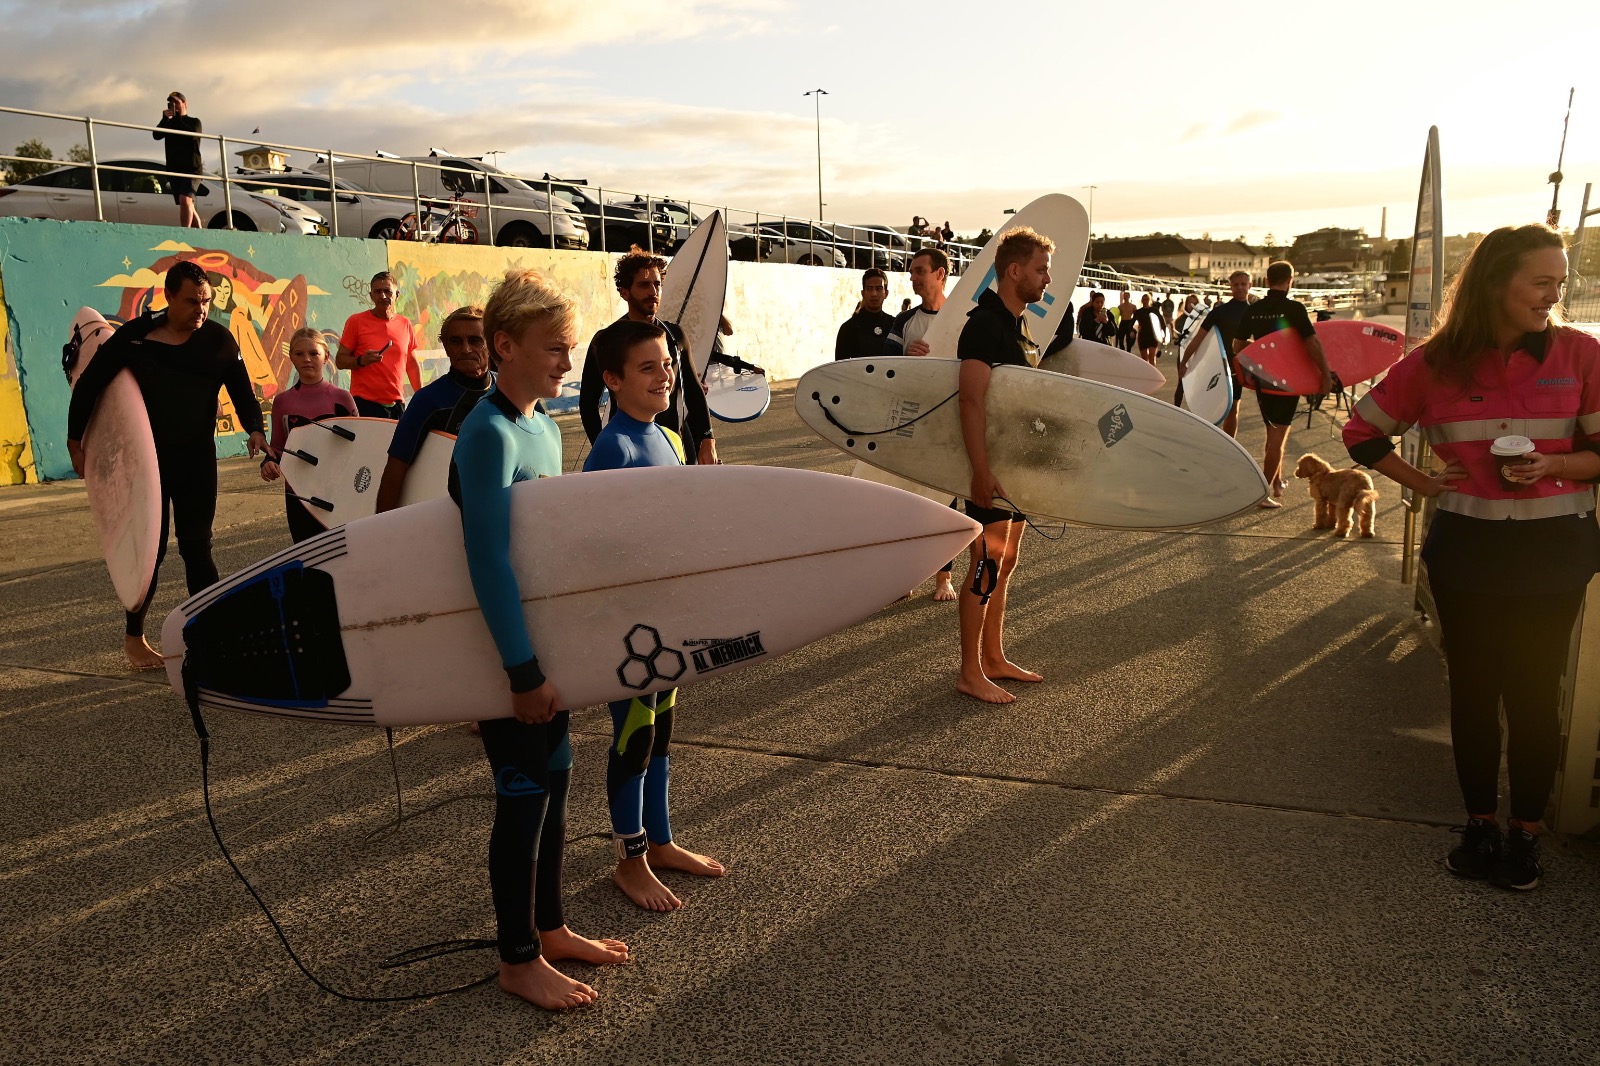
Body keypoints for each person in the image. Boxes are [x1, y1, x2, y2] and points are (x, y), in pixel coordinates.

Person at [1343, 223, 1600, 892]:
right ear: (1494, 285)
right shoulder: (1432, 364)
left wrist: (1557, 463)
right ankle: (1480, 822)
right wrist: (1424, 483)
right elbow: (1361, 432)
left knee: (1537, 695)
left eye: (1559, 283)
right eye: (1540, 282)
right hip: (1469, 551)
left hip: (1554, 551)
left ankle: (1526, 836)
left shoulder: (1581, 354)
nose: (1554, 294)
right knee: (1476, 693)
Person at [451, 267, 630, 1009]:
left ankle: (549, 927)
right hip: (508, 654)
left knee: (556, 786)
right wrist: (521, 672)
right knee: (521, 801)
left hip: (548, 646)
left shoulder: (541, 428)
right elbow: (487, 561)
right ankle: (516, 957)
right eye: (554, 349)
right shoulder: (488, 432)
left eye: (569, 348)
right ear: (504, 345)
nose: (566, 362)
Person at [582, 319, 729, 911]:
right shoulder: (611, 449)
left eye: (666, 364)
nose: (663, 375)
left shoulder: (667, 438)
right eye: (647, 368)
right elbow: (591, 548)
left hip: (666, 620)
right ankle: (630, 858)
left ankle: (662, 841)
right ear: (612, 381)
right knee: (634, 737)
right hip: (629, 627)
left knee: (662, 731)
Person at [66, 260, 266, 669]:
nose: (201, 310)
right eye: (192, 301)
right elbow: (91, 383)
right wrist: (76, 440)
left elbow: (243, 392)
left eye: (206, 301)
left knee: (197, 547)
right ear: (169, 297)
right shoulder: (136, 338)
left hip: (195, 459)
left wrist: (255, 430)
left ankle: (211, 638)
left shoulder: (218, 341)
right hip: (145, 463)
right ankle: (135, 639)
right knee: (147, 552)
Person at [955, 227, 1053, 704]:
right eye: (1040, 269)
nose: (1047, 279)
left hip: (1013, 469)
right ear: (1014, 271)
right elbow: (970, 401)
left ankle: (993, 657)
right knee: (986, 562)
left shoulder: (1017, 325)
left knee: (1006, 559)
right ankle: (969, 671)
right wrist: (979, 469)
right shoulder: (984, 325)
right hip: (989, 468)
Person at [579, 249, 717, 465]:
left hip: (675, 438)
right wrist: (602, 445)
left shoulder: (675, 336)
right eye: (644, 285)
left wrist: (707, 438)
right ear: (624, 292)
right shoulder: (608, 341)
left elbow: (693, 390)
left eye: (657, 284)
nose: (653, 291)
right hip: (631, 438)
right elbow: (588, 402)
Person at [887, 247, 959, 601]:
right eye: (912, 271)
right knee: (909, 497)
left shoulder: (964, 318)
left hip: (949, 424)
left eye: (919, 271)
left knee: (944, 500)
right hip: (911, 421)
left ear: (939, 274)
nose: (912, 277)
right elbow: (882, 368)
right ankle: (907, 572)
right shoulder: (904, 322)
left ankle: (943, 576)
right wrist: (904, 357)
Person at [375, 305, 493, 515]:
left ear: (491, 344)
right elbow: (395, 470)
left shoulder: (512, 392)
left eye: (475, 340)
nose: (466, 349)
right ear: (446, 347)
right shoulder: (428, 400)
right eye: (456, 341)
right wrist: (384, 531)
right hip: (446, 517)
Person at [1232, 261, 1332, 507]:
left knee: (1272, 431)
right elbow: (1312, 343)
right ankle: (1262, 494)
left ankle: (1275, 483)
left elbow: (1238, 346)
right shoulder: (1295, 309)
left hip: (1264, 379)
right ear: (1290, 280)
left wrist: (1259, 362)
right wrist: (1326, 374)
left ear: (1266, 281)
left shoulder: (1254, 310)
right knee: (1278, 436)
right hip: (1288, 380)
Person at [259, 328, 355, 542]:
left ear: (326, 356)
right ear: (291, 357)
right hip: (298, 490)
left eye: (314, 353)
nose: (307, 359)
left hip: (336, 489)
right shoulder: (283, 402)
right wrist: (268, 463)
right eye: (299, 354)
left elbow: (357, 447)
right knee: (307, 556)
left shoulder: (342, 398)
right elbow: (278, 446)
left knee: (339, 553)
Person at [335, 271, 422, 419]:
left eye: (387, 291)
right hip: (364, 404)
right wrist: (361, 360)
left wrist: (421, 398)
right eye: (377, 291)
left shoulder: (405, 323)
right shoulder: (356, 322)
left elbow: (412, 364)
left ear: (397, 294)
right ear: (371, 296)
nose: (383, 296)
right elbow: (340, 361)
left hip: (396, 405)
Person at [1180, 271, 1255, 438]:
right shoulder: (1219, 312)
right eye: (1236, 284)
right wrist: (1184, 361)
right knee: (1209, 404)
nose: (1240, 287)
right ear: (1230, 287)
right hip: (1216, 362)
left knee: (1233, 407)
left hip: (1238, 366)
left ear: (1250, 285)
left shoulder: (1254, 313)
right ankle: (1208, 440)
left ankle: (1230, 444)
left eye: (1244, 284)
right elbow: (1198, 338)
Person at [152, 92, 202, 228]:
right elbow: (156, 135)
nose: (173, 106)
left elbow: (192, 135)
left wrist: (178, 118)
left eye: (176, 103)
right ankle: (200, 232)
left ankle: (185, 233)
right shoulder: (168, 123)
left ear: (185, 104)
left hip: (191, 169)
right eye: (170, 104)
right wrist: (164, 120)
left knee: (185, 200)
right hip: (174, 169)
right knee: (187, 204)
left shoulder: (194, 122)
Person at [834, 268, 896, 360]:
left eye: (878, 289)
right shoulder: (848, 328)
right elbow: (840, 367)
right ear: (863, 293)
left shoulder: (894, 325)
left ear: (886, 293)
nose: (874, 294)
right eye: (869, 289)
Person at [1133, 293, 1163, 366]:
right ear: (1142, 301)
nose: (1145, 301)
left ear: (1149, 300)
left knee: (1152, 358)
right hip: (1142, 336)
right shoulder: (1138, 312)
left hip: (1152, 336)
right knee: (1144, 359)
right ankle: (1146, 375)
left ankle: (1152, 376)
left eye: (1147, 299)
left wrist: (1164, 333)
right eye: (1144, 299)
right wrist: (1132, 331)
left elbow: (1162, 322)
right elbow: (1131, 323)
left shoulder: (1154, 310)